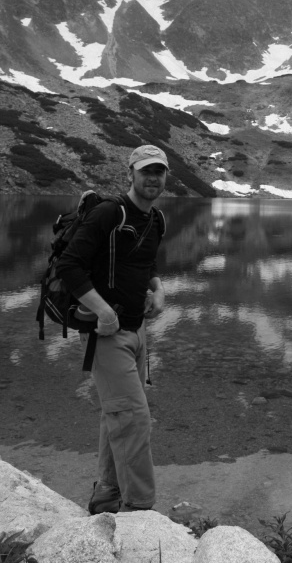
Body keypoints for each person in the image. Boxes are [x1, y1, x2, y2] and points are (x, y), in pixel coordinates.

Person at [57, 144, 169, 514]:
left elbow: (145, 261)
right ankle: (140, 508)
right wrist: (104, 312)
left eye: (159, 171)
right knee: (135, 420)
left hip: (137, 333)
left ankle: (106, 495)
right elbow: (70, 266)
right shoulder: (110, 213)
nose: (153, 178)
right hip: (106, 335)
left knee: (116, 416)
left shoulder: (156, 220)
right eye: (146, 171)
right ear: (131, 174)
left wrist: (158, 289)